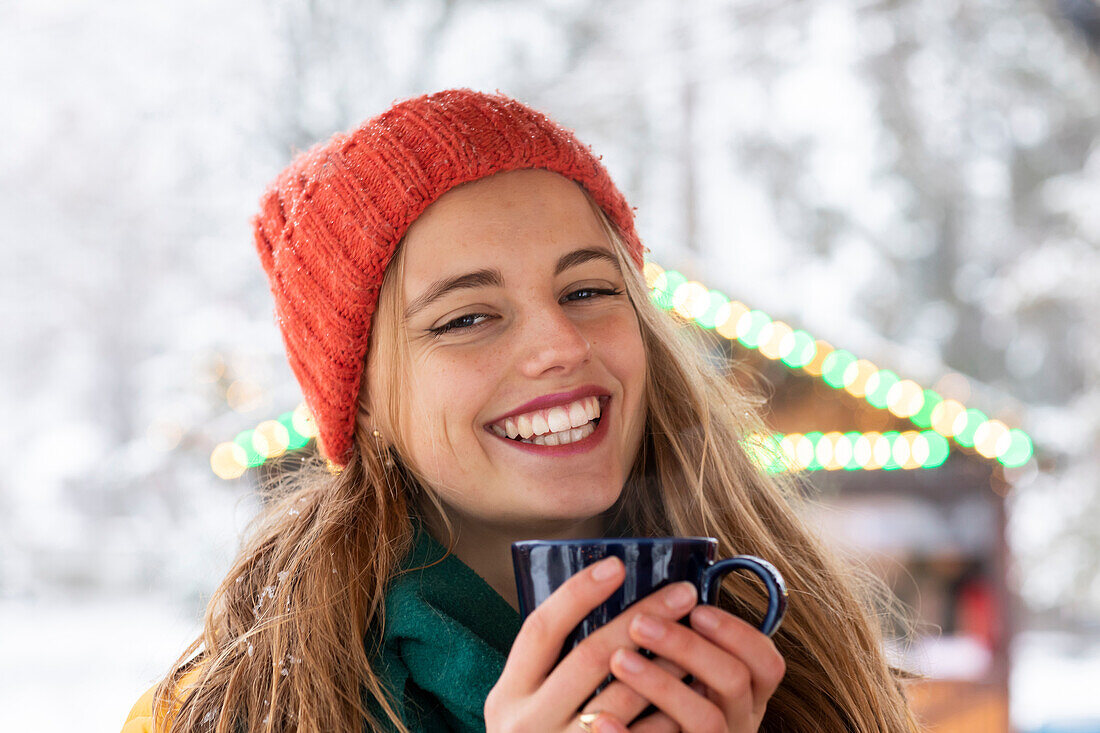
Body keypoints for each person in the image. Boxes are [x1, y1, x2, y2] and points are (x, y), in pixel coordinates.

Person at [123, 89, 916, 732]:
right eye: (467, 317)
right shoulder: (225, 710)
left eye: (589, 291)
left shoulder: (801, 655)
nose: (562, 344)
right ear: (361, 403)